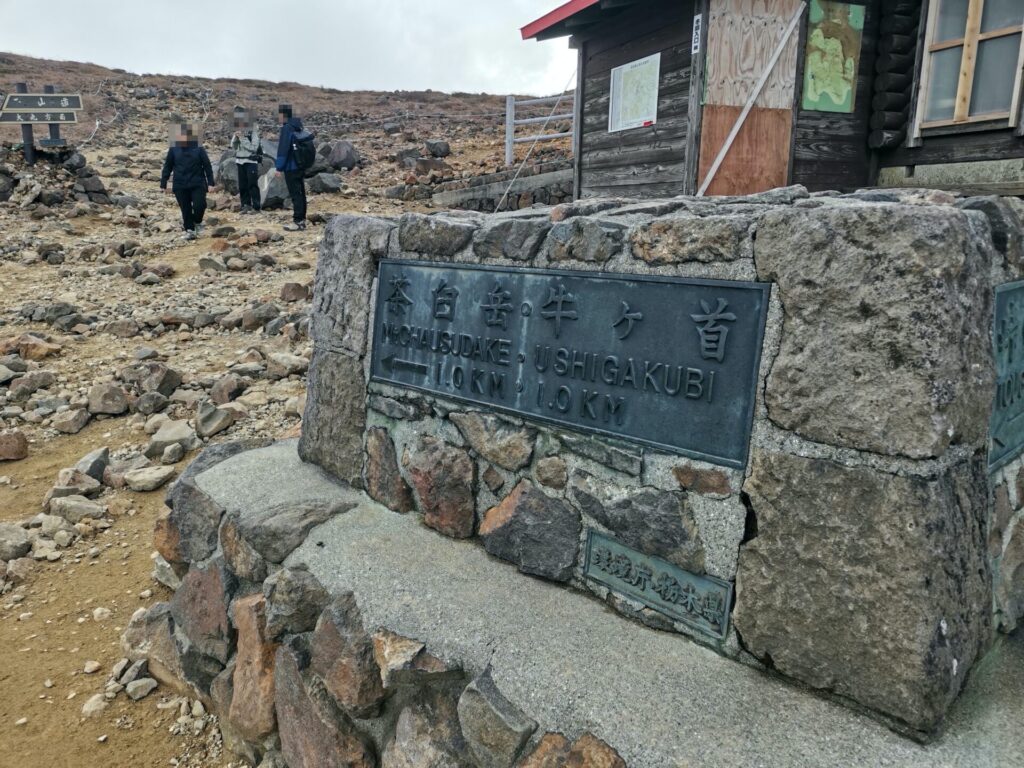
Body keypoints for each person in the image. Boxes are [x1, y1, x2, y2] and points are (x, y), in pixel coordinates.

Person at [160, 122, 214, 240]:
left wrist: (210, 183)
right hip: (180, 184)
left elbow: (207, 166)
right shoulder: (174, 149)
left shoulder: (199, 148)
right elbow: (168, 166)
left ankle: (197, 221)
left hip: (197, 182)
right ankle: (190, 230)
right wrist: (163, 182)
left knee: (200, 205)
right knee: (185, 208)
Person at [274, 104, 307, 232]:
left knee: (295, 194)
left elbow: (283, 149)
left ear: (283, 115)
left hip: (291, 166)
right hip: (300, 165)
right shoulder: (298, 126)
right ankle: (302, 220)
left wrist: (279, 167)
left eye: (279, 115)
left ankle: (298, 221)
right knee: (301, 193)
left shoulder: (287, 128)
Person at [230, 107, 261, 214]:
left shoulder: (253, 129)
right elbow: (233, 147)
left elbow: (254, 148)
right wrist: (235, 137)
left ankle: (256, 207)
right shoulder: (238, 128)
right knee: (242, 185)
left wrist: (242, 138)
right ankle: (245, 205)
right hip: (239, 161)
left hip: (251, 161)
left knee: (252, 185)